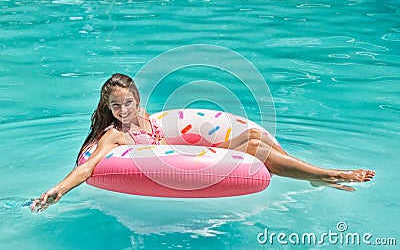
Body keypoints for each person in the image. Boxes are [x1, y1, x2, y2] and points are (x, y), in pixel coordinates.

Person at [31, 73, 375, 212]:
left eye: (128, 103)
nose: (123, 110)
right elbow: (89, 166)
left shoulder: (147, 117)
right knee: (255, 147)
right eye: (115, 106)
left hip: (192, 155)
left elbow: (167, 140)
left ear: (137, 99)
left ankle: (313, 174)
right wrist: (58, 190)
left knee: (254, 136)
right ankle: (327, 174)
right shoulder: (115, 134)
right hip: (185, 164)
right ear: (108, 108)